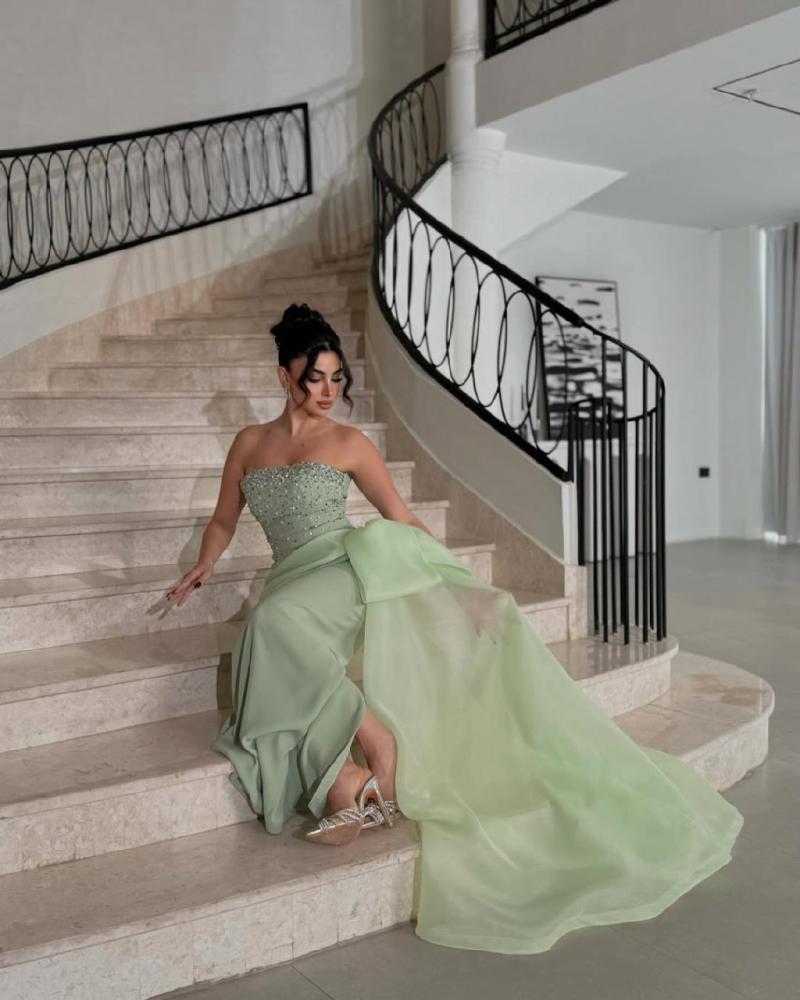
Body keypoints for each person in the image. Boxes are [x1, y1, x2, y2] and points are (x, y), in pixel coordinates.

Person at [166, 302, 745, 955]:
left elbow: (402, 518)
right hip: (290, 577)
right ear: (283, 376)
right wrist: (204, 564)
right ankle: (347, 784)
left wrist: (461, 586)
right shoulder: (249, 443)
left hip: (344, 569)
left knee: (273, 625)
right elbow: (223, 519)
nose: (328, 391)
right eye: (314, 378)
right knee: (267, 635)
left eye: (336, 378)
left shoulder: (349, 443)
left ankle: (375, 741)